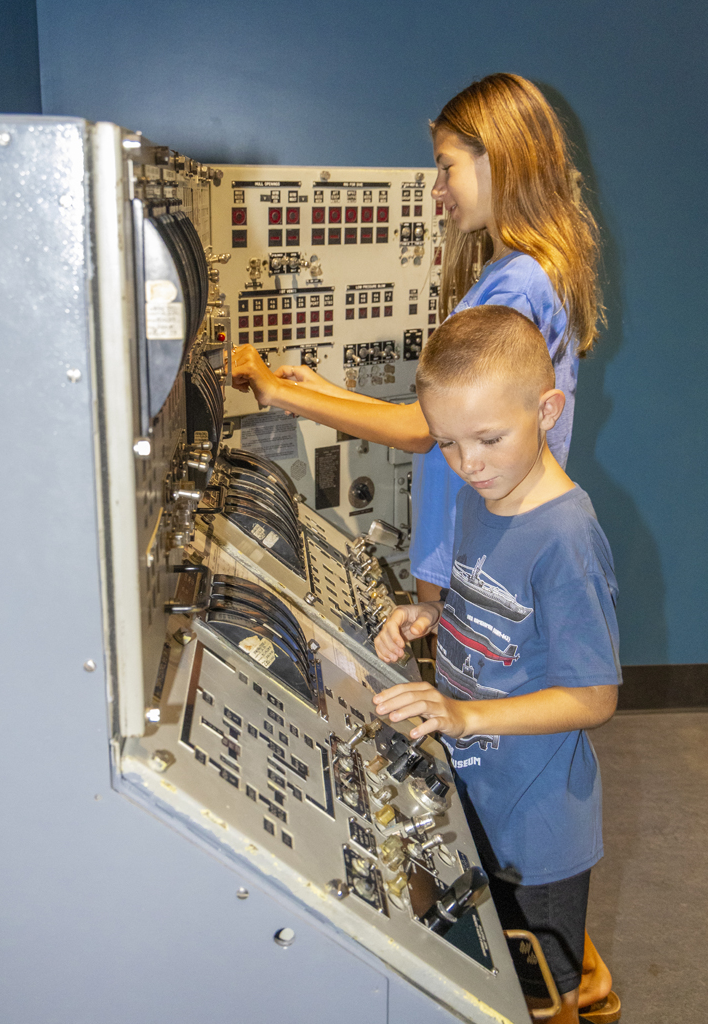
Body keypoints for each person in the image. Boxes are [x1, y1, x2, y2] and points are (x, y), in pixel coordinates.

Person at [231, 74, 617, 1020]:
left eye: (447, 165)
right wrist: (437, 602)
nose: (435, 186)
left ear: (501, 157)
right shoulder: (521, 277)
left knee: (532, 941)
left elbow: (421, 425)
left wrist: (285, 392)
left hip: (518, 728)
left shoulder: (517, 283)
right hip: (479, 622)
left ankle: (559, 979)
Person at [372, 305, 621, 1024]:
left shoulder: (567, 536)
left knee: (542, 1000)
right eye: (447, 444)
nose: (467, 464)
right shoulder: (485, 498)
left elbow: (594, 697)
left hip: (537, 827)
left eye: (487, 438)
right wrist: (432, 617)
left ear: (547, 410)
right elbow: (490, 609)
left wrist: (466, 715)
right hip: (475, 794)